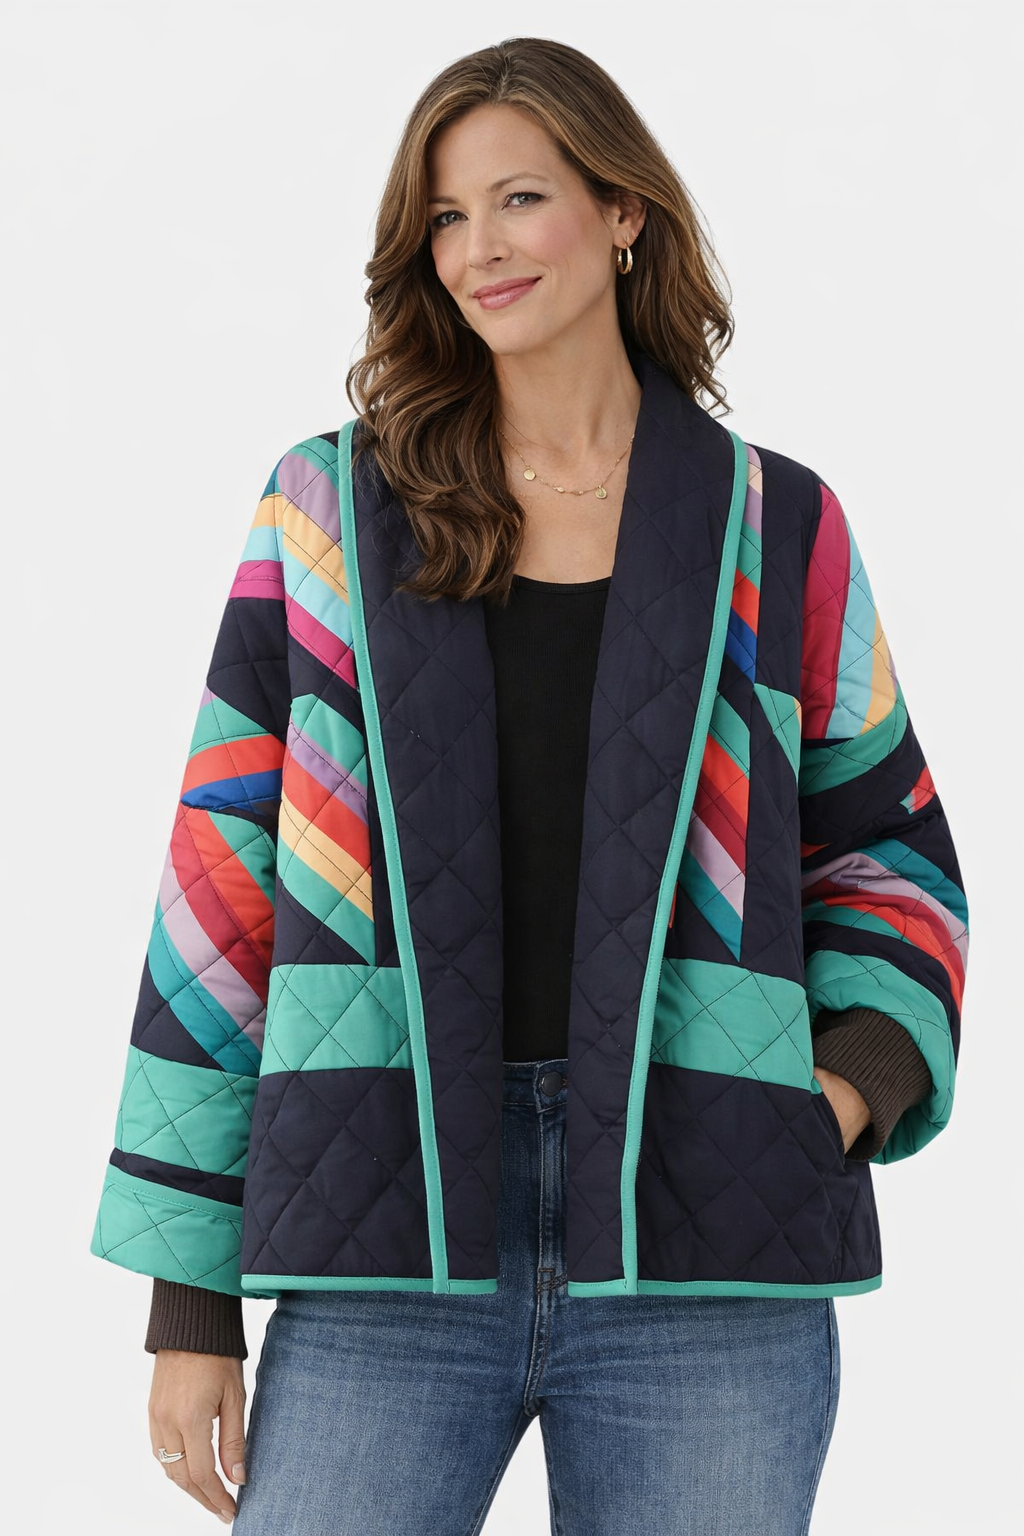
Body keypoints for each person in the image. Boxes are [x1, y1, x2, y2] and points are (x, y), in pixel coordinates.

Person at [89, 36, 968, 1535]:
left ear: (622, 211)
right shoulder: (330, 511)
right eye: (445, 217)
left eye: (519, 198)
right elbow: (221, 885)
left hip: (710, 1249)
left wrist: (840, 1091)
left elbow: (887, 847)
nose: (480, 248)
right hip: (384, 1233)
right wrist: (189, 1300)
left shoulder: (775, 524)